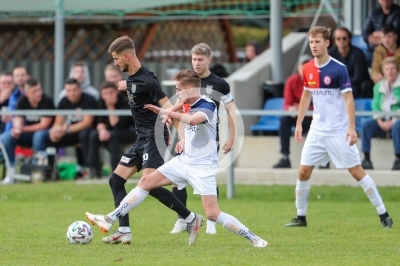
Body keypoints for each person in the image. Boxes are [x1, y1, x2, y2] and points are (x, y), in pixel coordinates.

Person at [85, 69, 268, 248]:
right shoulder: (187, 100)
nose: (176, 93)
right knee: (146, 181)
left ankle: (254, 238)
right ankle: (110, 219)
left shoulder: (207, 105)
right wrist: (180, 132)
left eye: (179, 89)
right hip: (184, 161)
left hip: (202, 167)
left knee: (212, 213)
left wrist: (165, 113)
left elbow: (194, 120)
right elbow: (181, 106)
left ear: (190, 90)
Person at [90, 36, 209, 245]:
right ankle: (124, 231)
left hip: (154, 136)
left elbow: (172, 106)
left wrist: (182, 138)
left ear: (127, 56)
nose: (116, 63)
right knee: (116, 180)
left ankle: (190, 218)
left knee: (150, 184)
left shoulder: (149, 80)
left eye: (117, 59)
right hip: (141, 138)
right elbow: (134, 86)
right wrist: (124, 85)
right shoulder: (133, 79)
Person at [283, 26, 393, 229]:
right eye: (311, 42)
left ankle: (384, 214)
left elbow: (349, 100)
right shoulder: (307, 68)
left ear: (327, 43)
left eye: (317, 41)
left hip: (338, 131)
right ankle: (301, 217)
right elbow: (307, 95)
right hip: (317, 130)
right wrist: (299, 124)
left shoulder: (339, 69)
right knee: (303, 171)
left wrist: (351, 128)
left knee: (357, 172)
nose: (314, 45)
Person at [170, 43, 236, 235]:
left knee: (207, 179)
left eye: (200, 59)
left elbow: (231, 111)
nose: (196, 63)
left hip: (208, 140)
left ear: (209, 60)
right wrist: (177, 133)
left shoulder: (220, 84)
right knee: (177, 179)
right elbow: (177, 108)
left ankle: (212, 220)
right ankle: (182, 219)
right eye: (194, 59)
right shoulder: (188, 80)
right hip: (187, 137)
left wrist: (231, 137)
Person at [0, 77, 55, 185]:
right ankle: (11, 171)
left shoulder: (47, 100)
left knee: (38, 136)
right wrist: (16, 128)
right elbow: (18, 119)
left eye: (39, 90)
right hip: (27, 134)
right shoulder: (22, 101)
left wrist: (23, 129)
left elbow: (44, 125)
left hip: (45, 133)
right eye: (34, 91)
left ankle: (36, 169)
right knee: (6, 137)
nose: (38, 93)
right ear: (26, 93)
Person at [46, 78, 97, 179]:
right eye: (68, 90)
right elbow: (58, 122)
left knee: (85, 134)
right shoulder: (63, 101)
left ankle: (88, 169)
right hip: (68, 132)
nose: (72, 93)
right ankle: (50, 170)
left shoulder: (89, 99)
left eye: (74, 90)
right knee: (50, 138)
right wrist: (55, 132)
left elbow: (87, 122)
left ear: (80, 89)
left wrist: (66, 129)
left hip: (86, 132)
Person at [87, 81, 137, 178]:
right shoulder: (101, 102)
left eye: (111, 93)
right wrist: (102, 130)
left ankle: (116, 170)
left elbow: (116, 125)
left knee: (114, 135)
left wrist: (110, 107)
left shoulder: (124, 101)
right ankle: (94, 170)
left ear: (116, 92)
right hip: (111, 132)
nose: (108, 96)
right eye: (105, 94)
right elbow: (99, 121)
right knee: (93, 134)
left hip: (130, 131)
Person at [273, 55, 313, 169]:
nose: (305, 68)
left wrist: (301, 107)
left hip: (312, 118)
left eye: (308, 65)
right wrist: (301, 108)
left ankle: (324, 161)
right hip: (296, 117)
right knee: (284, 120)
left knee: (322, 121)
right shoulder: (291, 81)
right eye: (303, 66)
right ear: (298, 67)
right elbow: (288, 105)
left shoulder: (318, 81)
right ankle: (285, 156)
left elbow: (319, 106)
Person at [361, 57, 400, 170]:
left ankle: (398, 158)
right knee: (366, 125)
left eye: (392, 69)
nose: (390, 72)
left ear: (397, 70)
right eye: (387, 69)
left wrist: (393, 120)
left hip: (397, 118)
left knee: (397, 125)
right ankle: (367, 158)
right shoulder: (378, 86)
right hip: (382, 118)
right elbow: (375, 106)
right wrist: (379, 121)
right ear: (383, 71)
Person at [329, 27, 372, 99]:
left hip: (355, 85)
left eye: (344, 38)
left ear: (349, 39)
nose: (341, 41)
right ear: (334, 41)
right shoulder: (329, 54)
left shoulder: (358, 53)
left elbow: (358, 78)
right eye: (338, 38)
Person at [2, 66, 30, 132]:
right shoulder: (14, 96)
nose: (20, 78)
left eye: (22, 75)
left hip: (24, 130)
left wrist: (12, 119)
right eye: (17, 76)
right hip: (8, 131)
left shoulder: (31, 94)